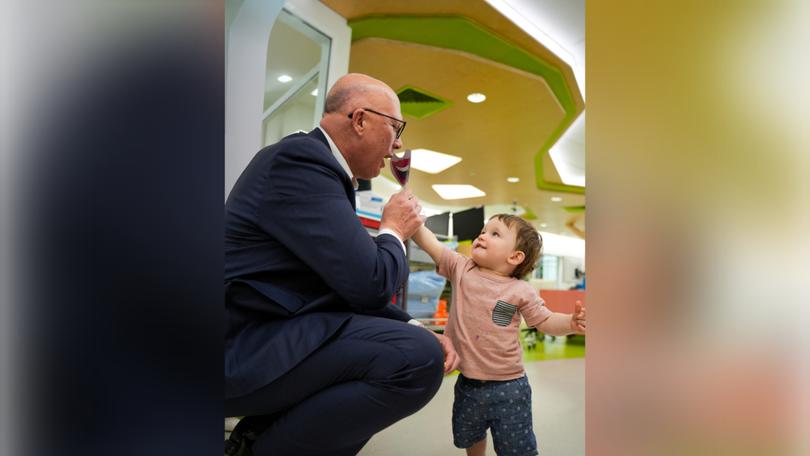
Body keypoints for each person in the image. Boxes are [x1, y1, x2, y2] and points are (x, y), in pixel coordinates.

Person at [224, 73, 460, 456]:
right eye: (395, 127)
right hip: (241, 346)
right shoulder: (301, 162)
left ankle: (260, 436)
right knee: (416, 359)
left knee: (413, 343)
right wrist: (393, 230)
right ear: (361, 120)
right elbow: (372, 284)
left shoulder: (318, 172)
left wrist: (412, 322)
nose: (398, 145)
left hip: (269, 335)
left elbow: (345, 285)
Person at [412, 214, 586, 456]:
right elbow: (432, 244)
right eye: (483, 230)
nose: (482, 235)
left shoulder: (520, 290)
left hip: (509, 387)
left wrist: (570, 322)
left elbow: (545, 320)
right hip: (468, 384)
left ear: (514, 257)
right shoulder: (461, 267)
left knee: (516, 449)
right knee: (470, 436)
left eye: (495, 233)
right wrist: (414, 223)